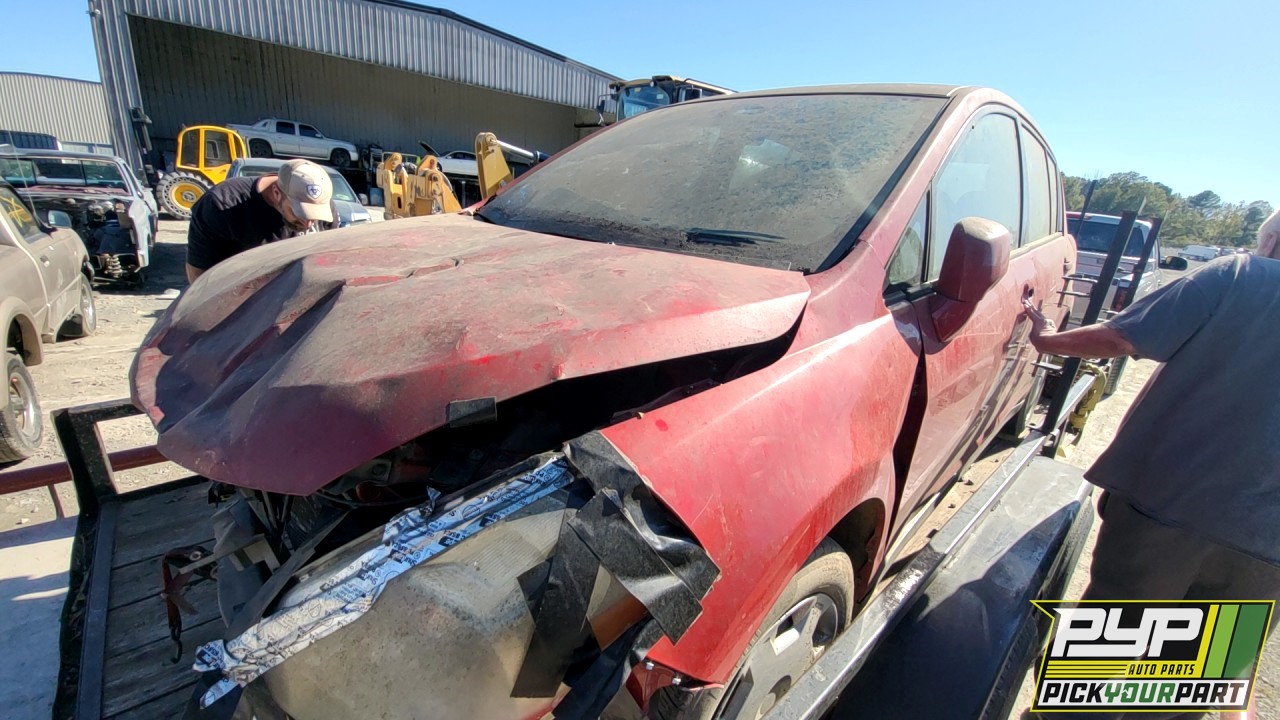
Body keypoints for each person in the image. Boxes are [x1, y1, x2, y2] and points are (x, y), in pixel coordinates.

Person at [1024, 210, 1280, 719]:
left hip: (1168, 507)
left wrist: (1047, 339)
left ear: (1270, 239)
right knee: (1188, 684)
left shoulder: (1238, 275)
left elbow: (1121, 338)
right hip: (1268, 551)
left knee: (1100, 660)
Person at [184, 159, 337, 282]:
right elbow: (199, 275)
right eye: (299, 213)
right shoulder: (222, 204)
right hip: (242, 300)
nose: (308, 224)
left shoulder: (320, 202)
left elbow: (332, 260)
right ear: (276, 193)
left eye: (314, 216)